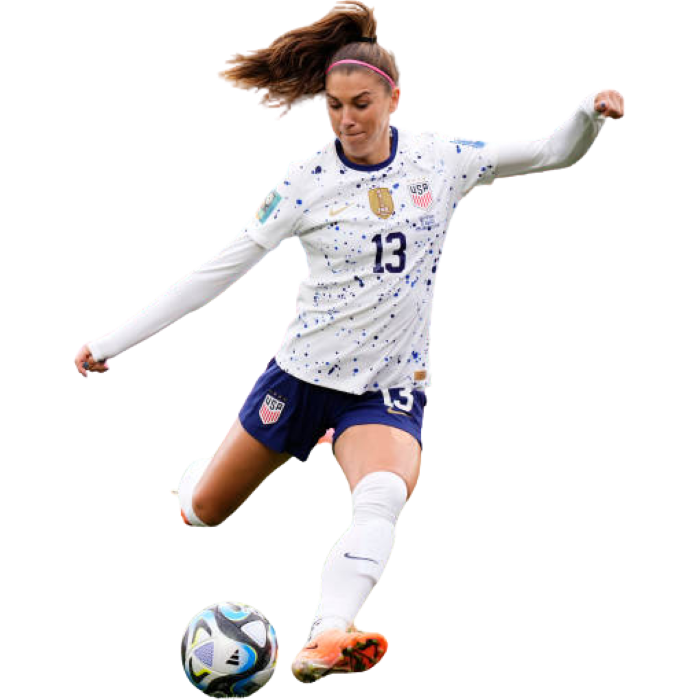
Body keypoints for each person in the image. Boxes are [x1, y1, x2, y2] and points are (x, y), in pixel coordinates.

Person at [73, 0, 626, 685]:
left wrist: (589, 114)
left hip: (387, 389)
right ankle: (194, 480)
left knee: (383, 495)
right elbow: (218, 272)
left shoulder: (439, 160)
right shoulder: (305, 182)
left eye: (361, 104)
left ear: (394, 98)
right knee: (206, 512)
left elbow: (548, 152)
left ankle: (328, 632)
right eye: (334, 106)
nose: (346, 119)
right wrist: (113, 341)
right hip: (301, 380)